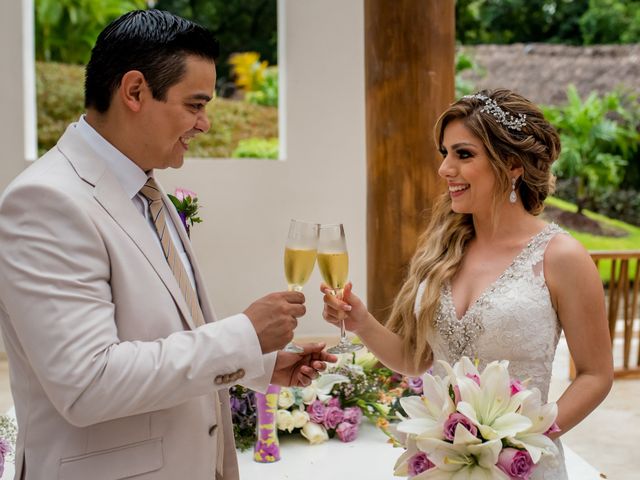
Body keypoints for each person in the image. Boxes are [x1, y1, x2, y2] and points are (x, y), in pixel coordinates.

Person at [0, 9, 336, 480]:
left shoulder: (146, 190)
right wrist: (242, 334)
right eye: (195, 105)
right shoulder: (45, 201)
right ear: (134, 91)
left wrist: (258, 362)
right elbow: (88, 384)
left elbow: (161, 335)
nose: (205, 124)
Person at [322, 89, 613, 478]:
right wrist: (361, 322)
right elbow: (418, 361)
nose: (445, 169)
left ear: (511, 165)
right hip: (439, 465)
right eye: (445, 153)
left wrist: (526, 438)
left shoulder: (561, 257)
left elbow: (596, 375)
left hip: (521, 468)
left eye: (463, 154)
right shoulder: (443, 250)